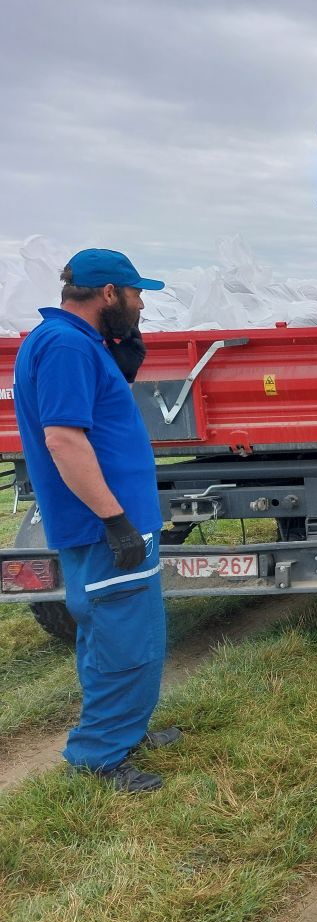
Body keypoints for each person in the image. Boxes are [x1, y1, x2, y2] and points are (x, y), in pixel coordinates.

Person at [13, 250, 178, 793]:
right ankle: (100, 755)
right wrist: (114, 519)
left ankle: (124, 731)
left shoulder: (72, 341)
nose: (141, 304)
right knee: (124, 642)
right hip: (102, 524)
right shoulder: (65, 345)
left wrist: (119, 364)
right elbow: (63, 439)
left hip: (107, 520)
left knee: (114, 633)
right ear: (109, 292)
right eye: (135, 294)